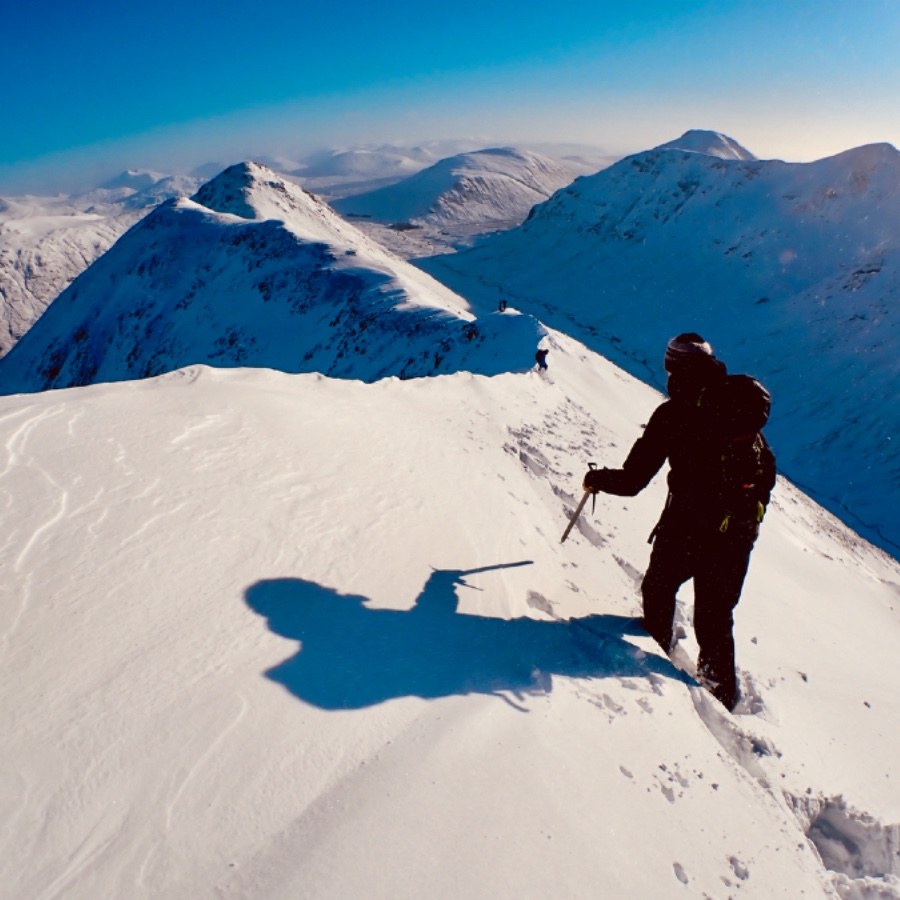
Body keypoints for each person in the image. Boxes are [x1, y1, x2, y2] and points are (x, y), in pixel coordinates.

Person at [582, 333, 775, 710]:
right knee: (715, 619)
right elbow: (765, 469)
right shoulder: (736, 405)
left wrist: (596, 479)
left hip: (686, 528)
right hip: (734, 533)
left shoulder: (672, 415)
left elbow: (633, 480)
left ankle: (655, 654)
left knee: (658, 589)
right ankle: (721, 699)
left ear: (672, 368)